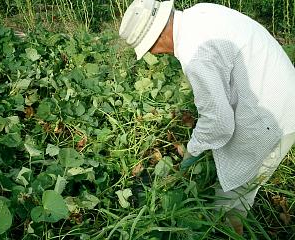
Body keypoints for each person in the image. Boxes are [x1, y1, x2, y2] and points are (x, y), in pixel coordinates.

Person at [119, 0, 295, 235]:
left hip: (274, 119)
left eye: (149, 47)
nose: (154, 53)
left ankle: (230, 232)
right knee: (233, 183)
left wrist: (189, 156)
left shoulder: (195, 53)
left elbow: (219, 123)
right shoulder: (200, 13)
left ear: (157, 37)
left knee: (227, 202)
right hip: (277, 90)